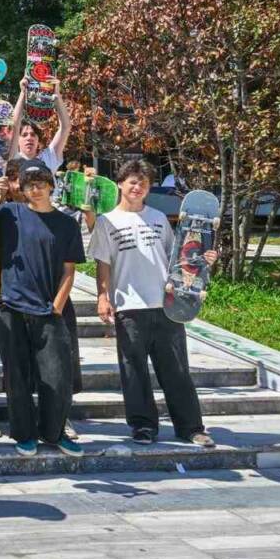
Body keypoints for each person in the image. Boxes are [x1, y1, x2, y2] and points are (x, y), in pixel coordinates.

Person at [90, 160, 217, 448]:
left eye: (144, 183)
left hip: (166, 306)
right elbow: (103, 263)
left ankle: (190, 427)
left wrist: (203, 261)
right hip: (129, 306)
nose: (138, 187)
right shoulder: (107, 222)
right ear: (120, 184)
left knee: (176, 370)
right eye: (133, 181)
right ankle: (143, 426)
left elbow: (179, 258)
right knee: (133, 370)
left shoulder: (159, 218)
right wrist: (102, 296)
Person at [0, 159, 84, 457]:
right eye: (29, 184)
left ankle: (54, 432)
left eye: (41, 183)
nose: (35, 189)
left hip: (49, 311)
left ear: (51, 185)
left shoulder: (66, 224)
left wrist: (57, 305)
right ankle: (24, 434)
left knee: (58, 377)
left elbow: (69, 270)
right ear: (20, 187)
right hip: (13, 306)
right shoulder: (9, 214)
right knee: (17, 376)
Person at [8, 79, 71, 172]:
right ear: (17, 140)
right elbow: (14, 125)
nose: (29, 138)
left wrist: (56, 94)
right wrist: (23, 93)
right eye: (24, 135)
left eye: (33, 134)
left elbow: (66, 127)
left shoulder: (49, 157)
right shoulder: (14, 159)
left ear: (38, 139)